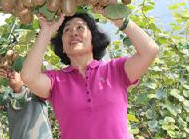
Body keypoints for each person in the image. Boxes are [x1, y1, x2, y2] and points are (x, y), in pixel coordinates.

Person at [21, 11, 159, 139]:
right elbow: (28, 76)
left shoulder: (115, 70)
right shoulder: (56, 81)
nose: (73, 32)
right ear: (62, 46)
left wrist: (118, 16)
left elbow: (150, 51)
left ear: (93, 39)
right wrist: (46, 31)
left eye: (80, 28)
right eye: (67, 30)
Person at [0, 66, 53, 139]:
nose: (9, 75)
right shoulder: (7, 96)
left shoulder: (33, 90)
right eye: (6, 73)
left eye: (12, 71)